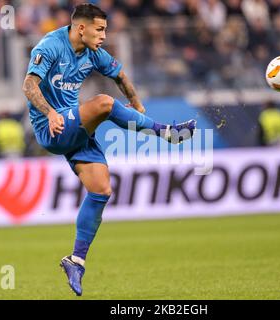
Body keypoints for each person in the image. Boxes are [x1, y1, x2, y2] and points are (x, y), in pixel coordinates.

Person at [22, 3, 196, 296]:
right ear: (81, 28)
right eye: (99, 29)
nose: (104, 35)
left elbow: (121, 76)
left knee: (101, 190)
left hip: (75, 128)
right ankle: (168, 133)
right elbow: (28, 85)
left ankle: (76, 260)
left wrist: (137, 104)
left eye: (105, 29)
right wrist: (51, 113)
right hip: (51, 127)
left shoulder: (94, 54)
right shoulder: (50, 45)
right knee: (103, 102)